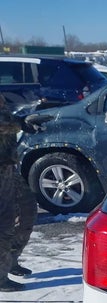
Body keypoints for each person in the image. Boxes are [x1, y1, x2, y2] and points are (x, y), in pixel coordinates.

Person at [0, 93, 38, 292]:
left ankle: (11, 260)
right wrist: (21, 123)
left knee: (27, 210)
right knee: (4, 223)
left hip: (8, 167)